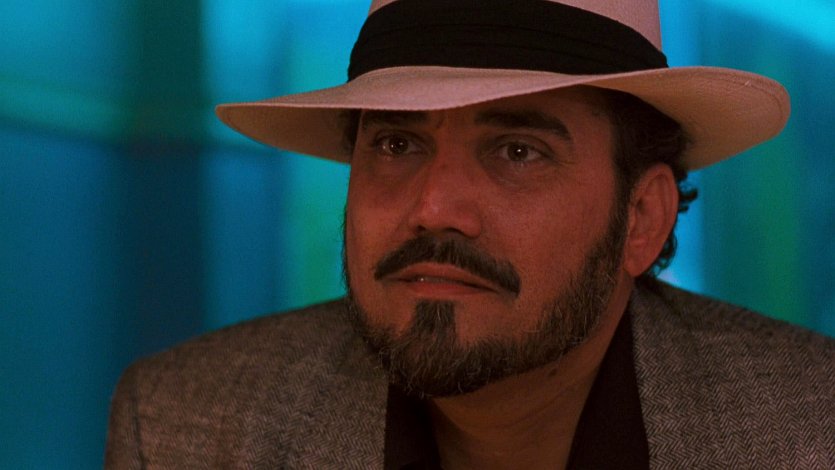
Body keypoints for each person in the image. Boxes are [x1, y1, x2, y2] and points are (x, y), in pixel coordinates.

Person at [105, 0, 834, 468]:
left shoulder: (811, 427)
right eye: (396, 144)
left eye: (517, 150)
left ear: (641, 219)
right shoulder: (184, 428)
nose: (433, 208)